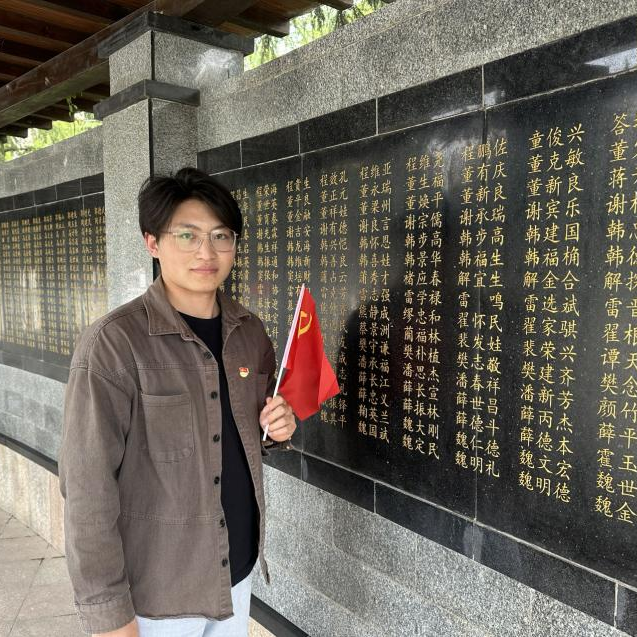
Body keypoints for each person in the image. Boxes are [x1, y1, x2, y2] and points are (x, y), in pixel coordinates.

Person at [58, 166, 297, 637]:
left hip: (235, 572)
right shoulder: (114, 344)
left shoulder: (249, 333)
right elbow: (87, 488)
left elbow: (248, 429)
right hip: (156, 596)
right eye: (187, 235)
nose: (206, 252)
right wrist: (110, 615)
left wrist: (278, 427)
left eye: (220, 236)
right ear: (152, 242)